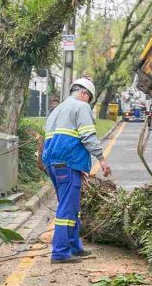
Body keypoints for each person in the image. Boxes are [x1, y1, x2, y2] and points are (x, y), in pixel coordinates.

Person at [42, 78, 112, 264]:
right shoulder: (81, 106)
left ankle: (75, 246)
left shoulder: (57, 110)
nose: (88, 103)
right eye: (89, 99)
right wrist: (102, 159)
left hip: (53, 163)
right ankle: (60, 252)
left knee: (71, 206)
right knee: (67, 207)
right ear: (84, 94)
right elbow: (87, 136)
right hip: (68, 163)